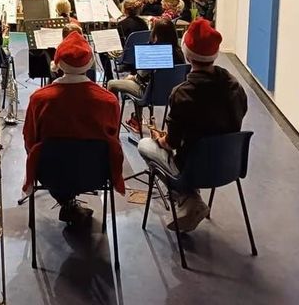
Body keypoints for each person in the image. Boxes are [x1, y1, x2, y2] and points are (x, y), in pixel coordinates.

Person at [138, 19, 247, 232]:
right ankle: (190, 199)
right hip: (228, 165)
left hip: (193, 169)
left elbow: (171, 143)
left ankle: (188, 196)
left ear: (188, 55)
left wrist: (160, 139)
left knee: (144, 145)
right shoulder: (236, 86)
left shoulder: (181, 93)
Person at [23, 33, 125, 225]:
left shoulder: (39, 98)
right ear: (90, 63)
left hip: (50, 173)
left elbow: (30, 140)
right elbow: (113, 139)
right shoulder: (109, 100)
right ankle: (69, 204)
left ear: (57, 63)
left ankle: (66, 201)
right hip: (97, 173)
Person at [108, 18, 186, 134]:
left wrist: (133, 77)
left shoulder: (152, 51)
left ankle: (113, 121)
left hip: (149, 94)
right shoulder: (179, 53)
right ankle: (136, 119)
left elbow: (141, 75)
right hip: (171, 94)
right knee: (141, 82)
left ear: (156, 34)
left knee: (112, 84)